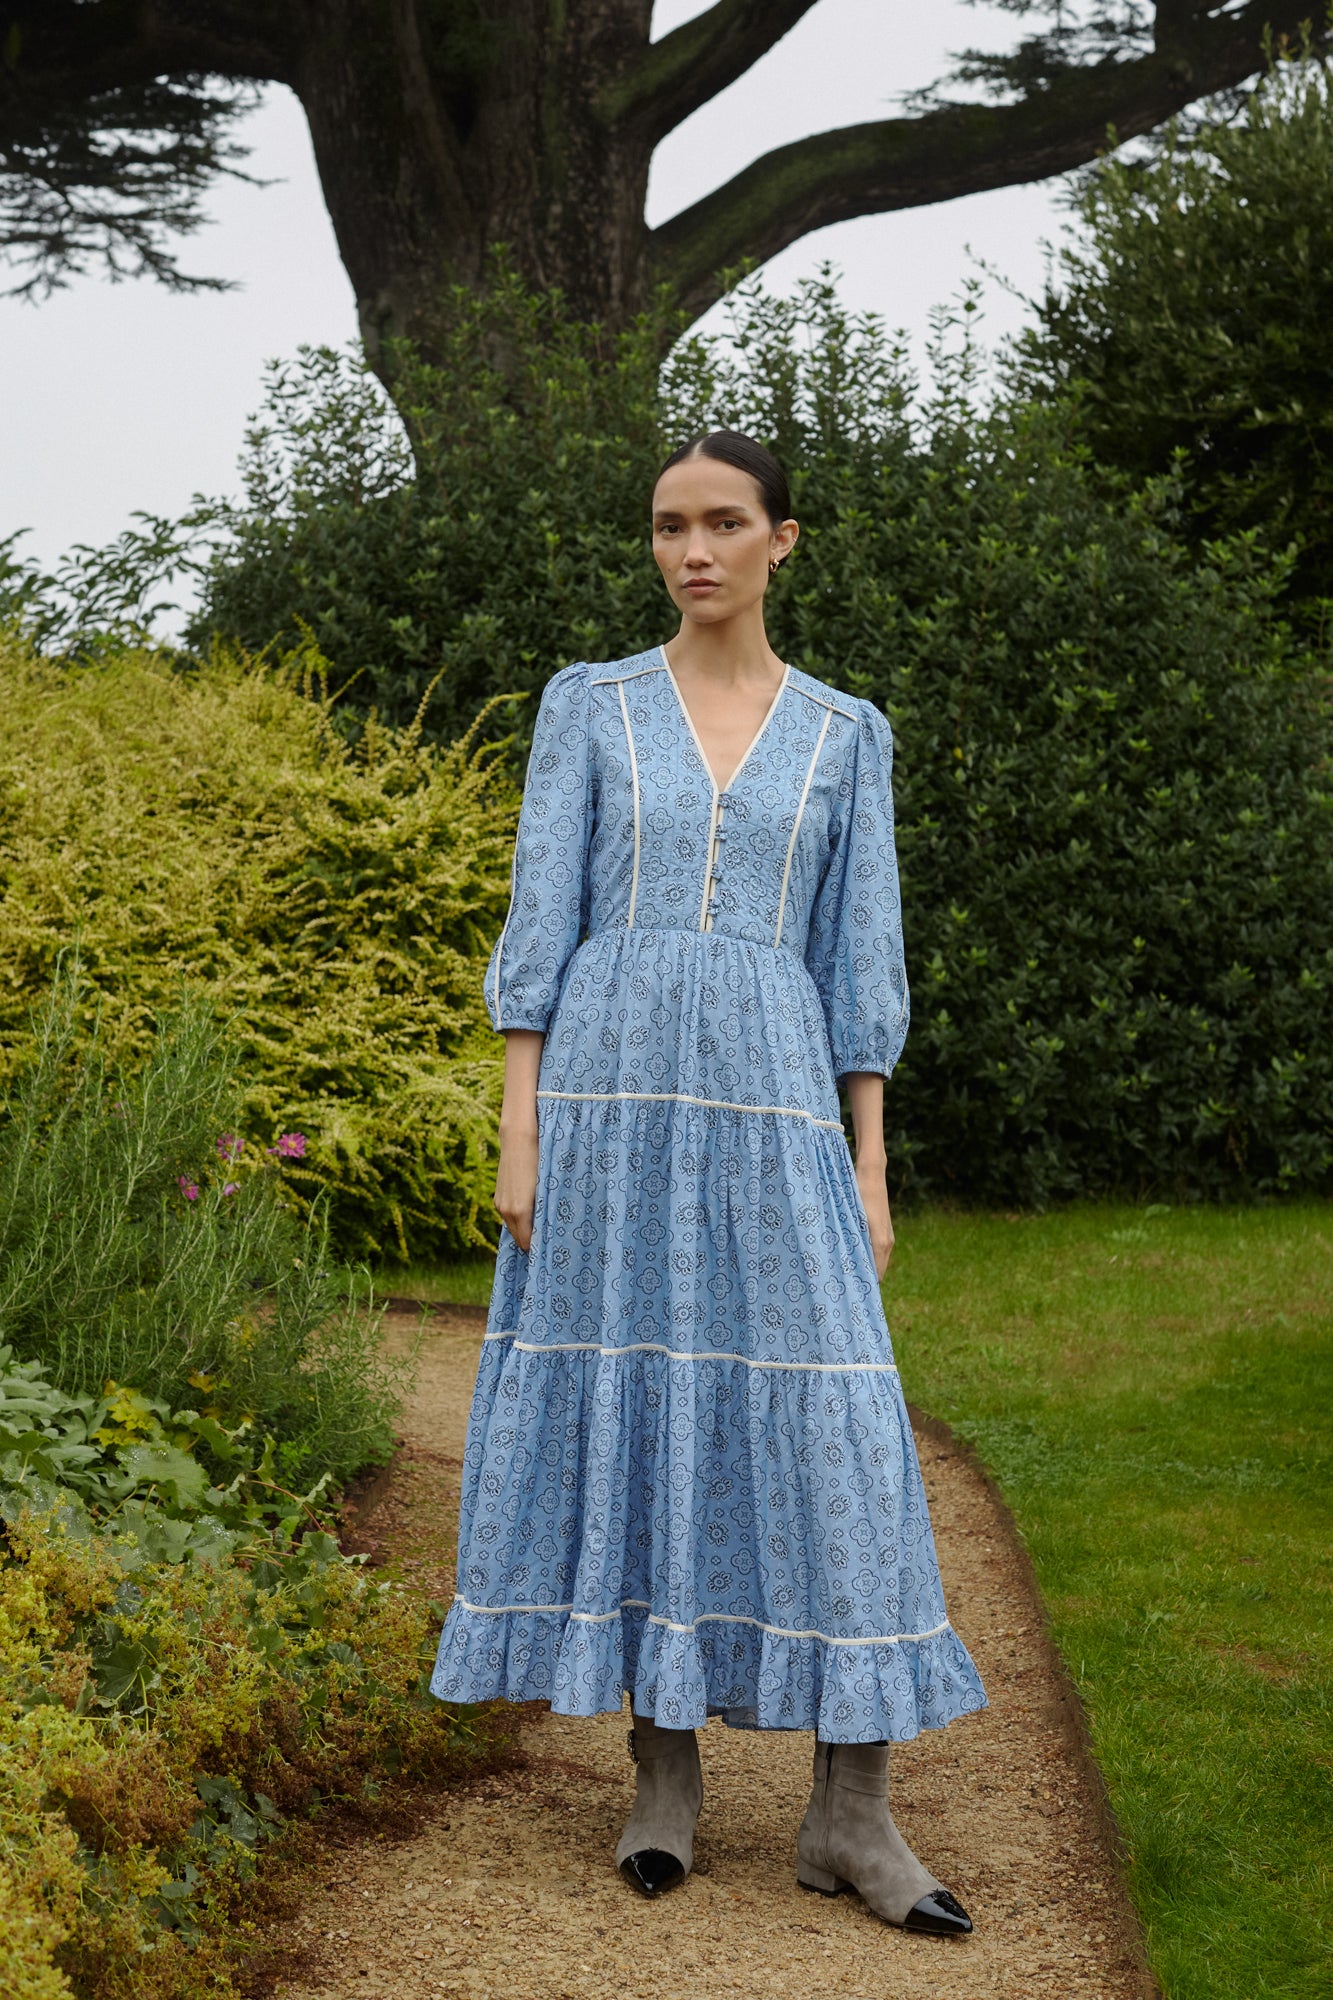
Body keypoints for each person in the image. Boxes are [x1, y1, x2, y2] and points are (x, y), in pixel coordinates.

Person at [431, 430, 986, 1936]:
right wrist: (518, 1128)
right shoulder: (590, 707)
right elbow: (537, 927)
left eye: (722, 523)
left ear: (779, 541)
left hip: (774, 1102)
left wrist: (869, 1165)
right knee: (642, 1406)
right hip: (605, 1106)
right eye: (671, 525)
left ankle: (849, 1816)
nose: (693, 549)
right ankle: (660, 1775)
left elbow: (860, 963)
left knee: (839, 1431)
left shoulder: (843, 734)